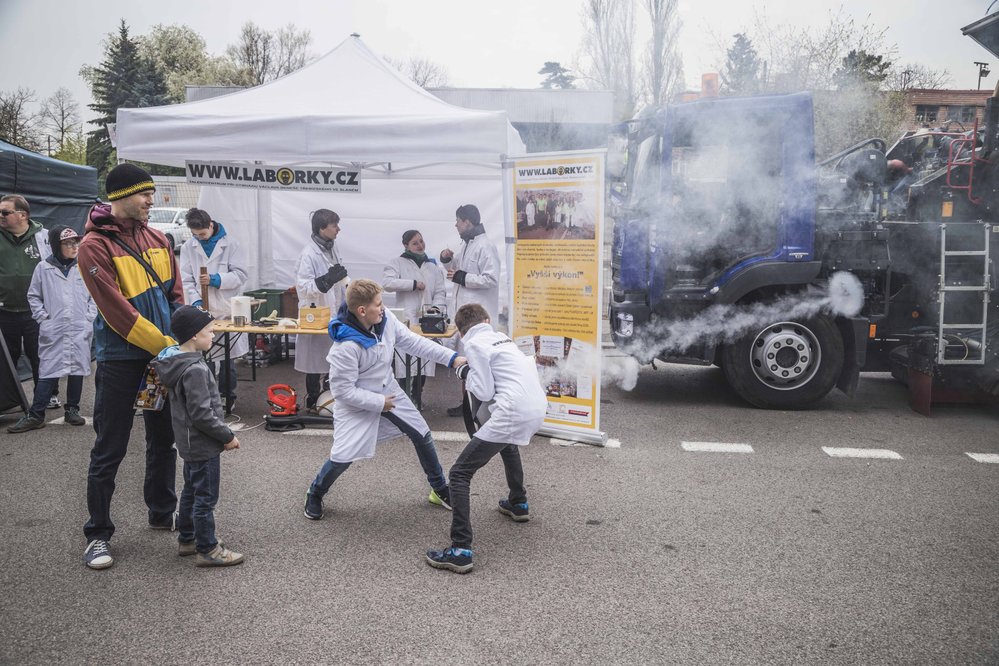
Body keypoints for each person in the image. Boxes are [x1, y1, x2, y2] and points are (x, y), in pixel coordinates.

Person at [77, 163, 184, 571]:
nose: (151, 201)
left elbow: (175, 295)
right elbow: (117, 313)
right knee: (110, 446)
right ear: (120, 197)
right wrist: (167, 346)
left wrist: (181, 339)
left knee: (163, 439)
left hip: (162, 357)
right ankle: (98, 533)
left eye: (152, 194)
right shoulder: (93, 246)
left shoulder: (158, 237)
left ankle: (161, 511)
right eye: (145, 194)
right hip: (121, 360)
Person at [303, 279, 467, 521]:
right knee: (342, 458)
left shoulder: (385, 319)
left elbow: (413, 342)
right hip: (357, 405)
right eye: (378, 304)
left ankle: (440, 489)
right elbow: (343, 392)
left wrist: (452, 358)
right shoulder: (345, 347)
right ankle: (315, 493)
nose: (383, 308)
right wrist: (380, 403)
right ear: (361, 311)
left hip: (388, 390)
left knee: (422, 435)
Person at [425, 303, 547, 574]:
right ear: (487, 320)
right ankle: (518, 502)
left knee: (459, 474)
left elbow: (483, 388)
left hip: (512, 411)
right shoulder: (503, 338)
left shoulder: (474, 345)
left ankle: (460, 549)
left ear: (460, 330)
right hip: (537, 407)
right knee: (508, 444)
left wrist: (464, 372)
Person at [152, 305, 244, 567]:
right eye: (209, 331)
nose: (213, 336)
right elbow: (202, 414)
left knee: (192, 490)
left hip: (190, 443)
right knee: (206, 497)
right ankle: (208, 549)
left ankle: (188, 538)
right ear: (194, 335)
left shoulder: (181, 362)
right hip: (203, 444)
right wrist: (226, 436)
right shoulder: (194, 369)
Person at [8, 227, 96, 433]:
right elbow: (33, 296)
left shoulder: (83, 266)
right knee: (49, 368)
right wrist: (43, 319)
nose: (74, 247)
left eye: (76, 242)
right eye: (68, 243)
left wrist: (88, 318)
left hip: (78, 327)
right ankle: (36, 414)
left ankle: (72, 409)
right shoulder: (43, 268)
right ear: (57, 246)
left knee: (77, 368)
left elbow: (94, 295)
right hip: (54, 328)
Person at [179, 208, 249, 407]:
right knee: (205, 355)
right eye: (195, 235)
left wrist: (216, 279)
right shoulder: (188, 247)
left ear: (210, 225)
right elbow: (187, 280)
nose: (199, 238)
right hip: (202, 310)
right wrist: (196, 301)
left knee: (227, 356)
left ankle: (228, 397)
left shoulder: (231, 244)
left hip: (226, 308)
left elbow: (241, 275)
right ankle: (207, 398)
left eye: (202, 234)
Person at [439, 204, 500, 416]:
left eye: (458, 221)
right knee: (468, 359)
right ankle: (466, 403)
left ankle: (476, 405)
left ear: (467, 222)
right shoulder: (467, 245)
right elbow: (455, 270)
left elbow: (491, 278)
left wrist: (462, 277)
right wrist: (447, 259)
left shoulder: (485, 246)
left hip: (478, 315)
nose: (455, 225)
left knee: (477, 361)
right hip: (466, 314)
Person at [0, 194, 59, 410]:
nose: (1, 216)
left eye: (5, 212)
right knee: (7, 359)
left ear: (22, 215)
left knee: (40, 355)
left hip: (37, 311)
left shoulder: (44, 237)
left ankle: (48, 395)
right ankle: (7, 401)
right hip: (4, 311)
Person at [295, 209, 348, 414]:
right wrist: (326, 280)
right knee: (315, 363)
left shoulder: (331, 249)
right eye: (334, 225)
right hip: (315, 314)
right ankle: (313, 400)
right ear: (322, 228)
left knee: (331, 360)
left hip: (333, 314)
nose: (338, 229)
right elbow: (304, 287)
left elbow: (338, 285)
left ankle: (330, 401)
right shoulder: (308, 254)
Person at [382, 229, 447, 385]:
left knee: (424, 358)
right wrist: (413, 284)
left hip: (427, 320)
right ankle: (406, 395)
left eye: (421, 241)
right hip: (407, 319)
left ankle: (419, 395)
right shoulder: (397, 263)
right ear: (406, 246)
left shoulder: (432, 267)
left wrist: (436, 309)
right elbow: (387, 283)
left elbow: (440, 291)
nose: (420, 245)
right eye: (415, 243)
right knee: (405, 358)